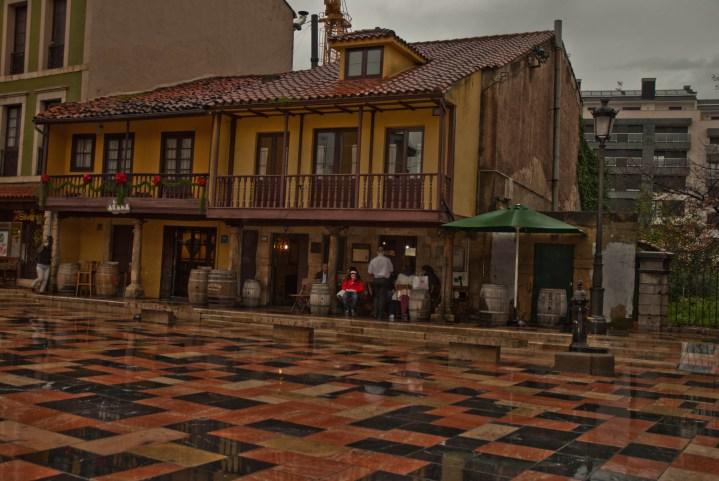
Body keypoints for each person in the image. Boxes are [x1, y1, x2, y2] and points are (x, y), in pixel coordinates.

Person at [368, 246, 394, 320]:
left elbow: (369, 272)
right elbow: (391, 270)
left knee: (376, 296)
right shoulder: (387, 260)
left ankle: (375, 313)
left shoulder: (373, 260)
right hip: (384, 280)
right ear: (383, 252)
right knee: (382, 297)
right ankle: (380, 315)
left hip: (376, 279)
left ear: (377, 252)